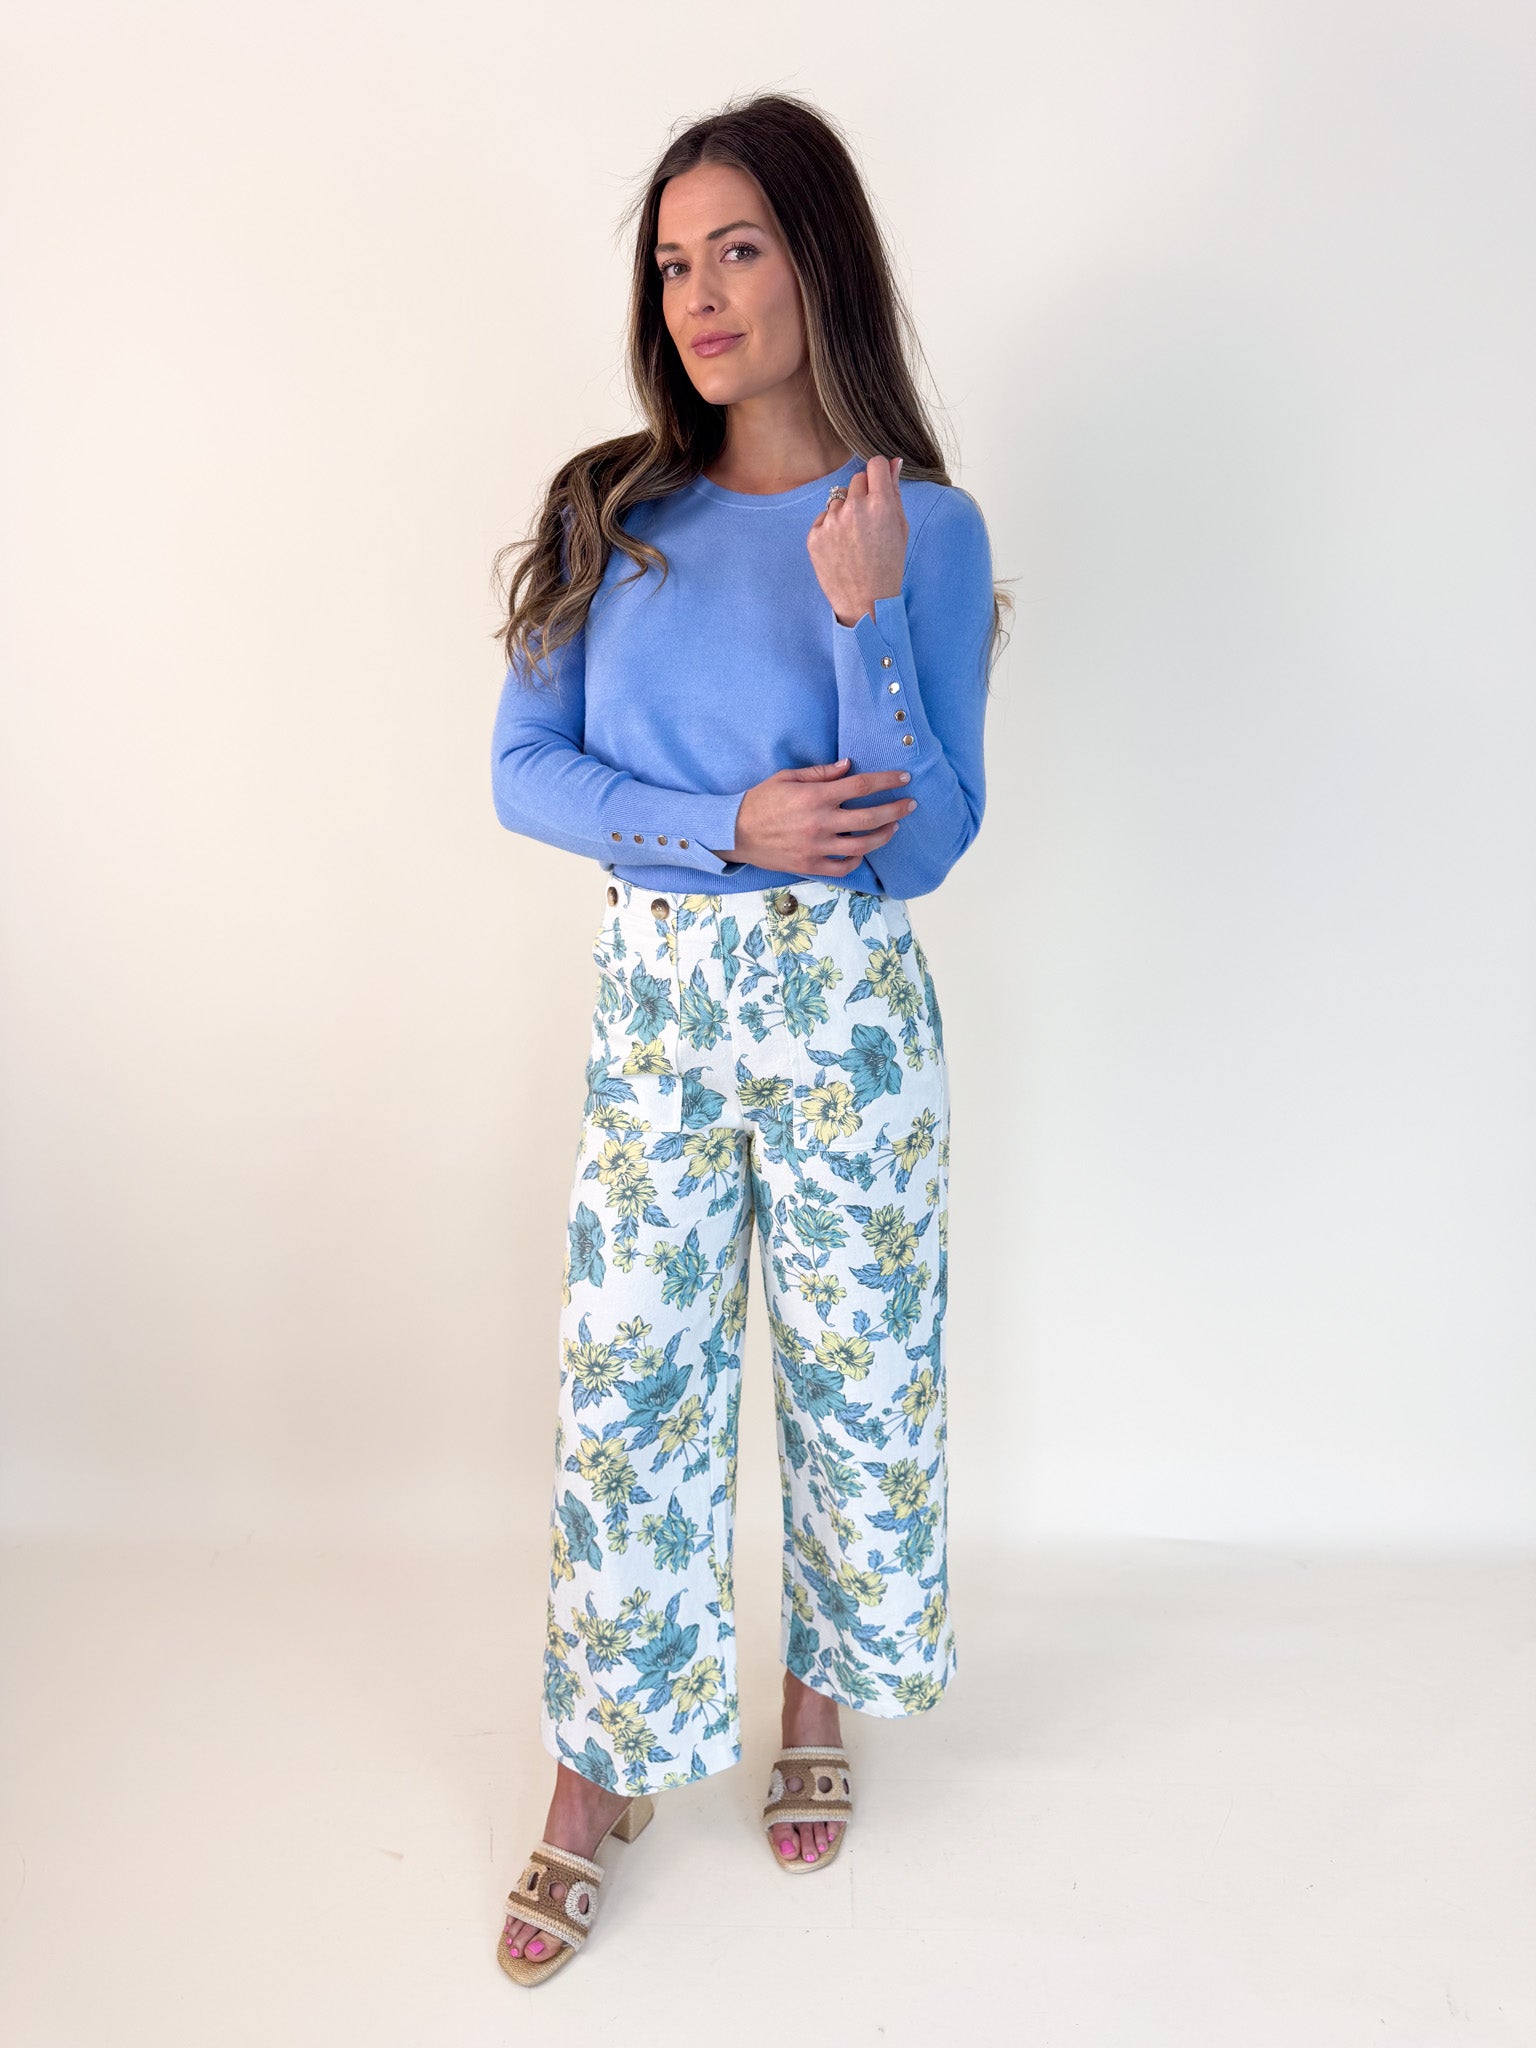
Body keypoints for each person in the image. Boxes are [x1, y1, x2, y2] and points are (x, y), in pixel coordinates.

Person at [487, 89, 1008, 1986]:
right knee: (628, 1390)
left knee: (860, 1384)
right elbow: (524, 773)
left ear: (817, 261)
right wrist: (728, 828)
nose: (699, 296)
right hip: (666, 1012)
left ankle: (818, 1689)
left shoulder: (916, 524)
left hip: (849, 1017)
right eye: (672, 263)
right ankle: (594, 1767)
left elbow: (926, 844)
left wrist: (863, 624)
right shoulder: (610, 513)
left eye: (738, 250)